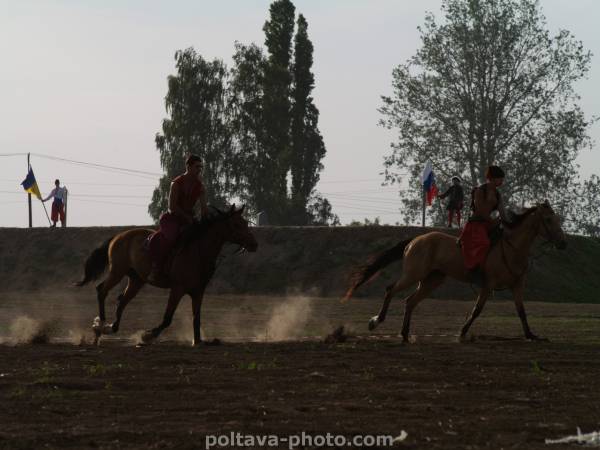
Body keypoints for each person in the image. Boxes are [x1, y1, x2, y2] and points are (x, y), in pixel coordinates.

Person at [147, 154, 208, 282]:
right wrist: (186, 217)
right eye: (197, 167)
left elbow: (204, 208)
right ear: (188, 166)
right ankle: (157, 268)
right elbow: (172, 207)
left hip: (189, 220)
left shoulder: (200, 186)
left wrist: (205, 221)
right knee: (171, 238)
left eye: (200, 167)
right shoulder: (176, 183)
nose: (199, 169)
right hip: (172, 219)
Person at [459, 165, 508, 284]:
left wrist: (507, 221)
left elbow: (502, 212)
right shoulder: (480, 190)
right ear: (492, 178)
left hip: (489, 224)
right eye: (500, 178)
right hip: (476, 224)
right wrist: (493, 221)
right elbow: (480, 211)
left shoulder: (497, 194)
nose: (502, 181)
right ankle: (473, 271)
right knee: (484, 243)